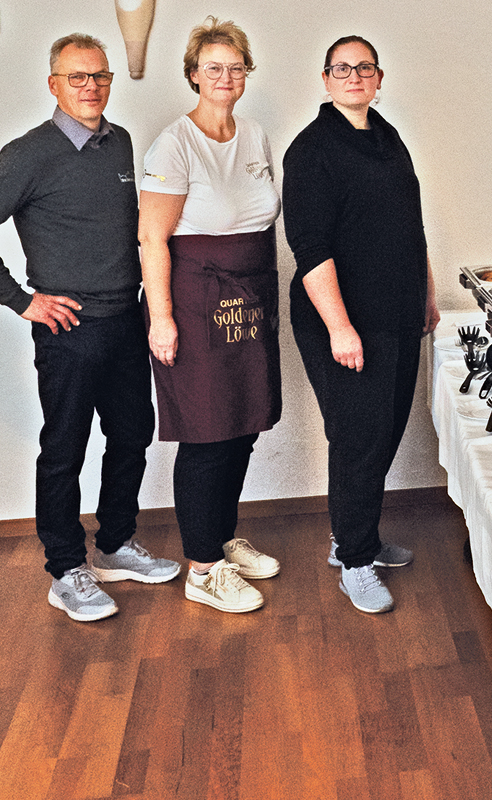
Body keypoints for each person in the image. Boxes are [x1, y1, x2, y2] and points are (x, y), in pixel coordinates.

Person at [0, 34, 180, 622]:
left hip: (125, 319)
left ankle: (114, 546)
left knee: (132, 435)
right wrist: (22, 301)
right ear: (53, 84)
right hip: (69, 330)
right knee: (64, 449)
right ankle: (64, 568)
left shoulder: (119, 142)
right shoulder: (28, 153)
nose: (91, 87)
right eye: (77, 78)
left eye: (100, 76)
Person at [283, 35, 439, 614]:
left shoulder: (386, 137)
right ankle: (353, 561)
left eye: (364, 67)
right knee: (357, 438)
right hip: (343, 323)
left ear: (378, 78)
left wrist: (424, 294)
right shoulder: (310, 151)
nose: (353, 76)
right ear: (325, 79)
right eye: (341, 68)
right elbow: (310, 249)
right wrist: (340, 329)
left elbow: (412, 224)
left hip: (396, 314)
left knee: (385, 431)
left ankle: (359, 537)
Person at [138, 17, 281, 613]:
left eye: (235, 66)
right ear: (194, 75)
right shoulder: (174, 142)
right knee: (206, 432)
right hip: (193, 301)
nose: (225, 77)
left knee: (243, 425)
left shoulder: (254, 135)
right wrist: (162, 319)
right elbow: (152, 238)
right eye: (212, 67)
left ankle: (222, 539)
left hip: (251, 296)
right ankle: (202, 567)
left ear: (246, 74)